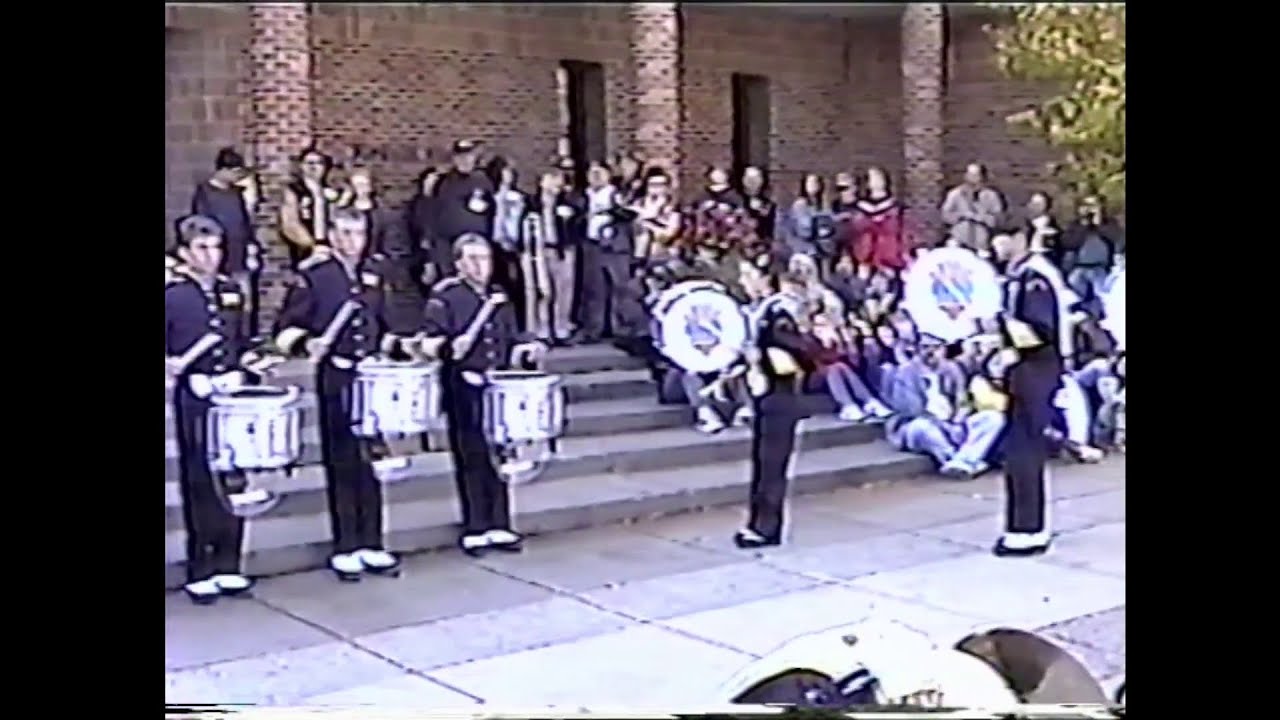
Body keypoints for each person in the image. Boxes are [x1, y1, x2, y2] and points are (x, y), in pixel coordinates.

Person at [272, 207, 412, 581]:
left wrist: (400, 346)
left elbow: (384, 325)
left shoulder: (373, 275)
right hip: (337, 376)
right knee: (342, 460)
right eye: (346, 234)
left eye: (359, 234)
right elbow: (284, 329)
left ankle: (372, 542)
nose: (353, 242)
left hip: (370, 379)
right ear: (332, 236)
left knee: (371, 460)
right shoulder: (315, 276)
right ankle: (346, 545)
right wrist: (305, 344)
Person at [165, 215, 276, 604]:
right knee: (199, 477)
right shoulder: (173, 295)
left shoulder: (232, 292)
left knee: (234, 476)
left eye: (216, 248)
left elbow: (243, 341)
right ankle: (201, 568)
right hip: (196, 395)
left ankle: (230, 563)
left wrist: (251, 364)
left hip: (231, 395)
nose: (211, 257)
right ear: (185, 253)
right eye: (202, 249)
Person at [420, 234, 547, 556]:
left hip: (496, 386)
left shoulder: (498, 297)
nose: (481, 266)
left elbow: (511, 337)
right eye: (473, 259)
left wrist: (526, 348)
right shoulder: (445, 296)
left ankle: (501, 523)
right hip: (463, 384)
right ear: (460, 264)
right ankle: (475, 526)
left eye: (485, 259)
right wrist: (450, 347)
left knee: (499, 456)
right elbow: (428, 341)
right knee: (471, 456)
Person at [984, 229, 1066, 557]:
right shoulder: (1018, 277)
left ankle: (1028, 530)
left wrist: (1003, 335)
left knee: (1025, 452)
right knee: (1018, 452)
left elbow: (1039, 331)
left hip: (1036, 370)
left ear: (1018, 237)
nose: (996, 245)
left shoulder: (1034, 279)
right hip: (1025, 371)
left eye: (1000, 238)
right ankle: (1021, 526)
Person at [734, 260, 820, 549]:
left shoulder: (778, 313)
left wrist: (764, 359)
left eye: (748, 276)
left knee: (771, 466)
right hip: (768, 396)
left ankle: (766, 527)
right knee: (764, 463)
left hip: (779, 396)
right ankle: (759, 523)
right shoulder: (764, 311)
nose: (744, 281)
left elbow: (799, 353)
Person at [884, 333, 1004, 479]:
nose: (931, 352)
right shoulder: (906, 372)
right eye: (925, 347)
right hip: (919, 425)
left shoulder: (953, 368)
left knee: (993, 418)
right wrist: (941, 422)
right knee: (923, 427)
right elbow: (911, 410)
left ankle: (962, 461)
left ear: (944, 349)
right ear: (917, 349)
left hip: (953, 423)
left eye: (936, 347)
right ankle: (957, 460)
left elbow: (963, 401)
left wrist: (960, 416)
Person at [190, 147, 261, 338]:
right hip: (219, 256)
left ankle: (246, 337)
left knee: (246, 299)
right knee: (224, 300)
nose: (237, 178)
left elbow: (245, 221)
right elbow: (203, 226)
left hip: (240, 253)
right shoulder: (205, 192)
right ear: (224, 170)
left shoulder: (237, 193)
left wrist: (251, 245)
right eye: (235, 173)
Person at [578, 161, 635, 343]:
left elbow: (629, 214)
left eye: (599, 172)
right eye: (591, 172)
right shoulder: (583, 195)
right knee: (595, 289)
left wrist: (612, 211)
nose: (595, 176)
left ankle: (620, 327)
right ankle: (595, 328)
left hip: (615, 247)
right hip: (592, 245)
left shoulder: (616, 194)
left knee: (619, 288)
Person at [280, 146, 341, 268]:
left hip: (333, 249)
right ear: (302, 166)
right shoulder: (295, 190)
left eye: (319, 163)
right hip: (307, 249)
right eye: (309, 163)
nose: (314, 167)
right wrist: (313, 246)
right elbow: (290, 223)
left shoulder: (332, 191)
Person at [431, 139, 495, 253]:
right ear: (454, 159)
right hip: (448, 239)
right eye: (460, 157)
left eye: (468, 156)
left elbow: (493, 209)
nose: (464, 160)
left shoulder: (483, 180)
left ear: (474, 158)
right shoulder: (443, 181)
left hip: (476, 239)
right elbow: (432, 209)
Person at [851, 167, 909, 275]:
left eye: (878, 177)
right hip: (868, 253)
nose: (876, 181)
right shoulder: (861, 207)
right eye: (872, 178)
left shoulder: (896, 207)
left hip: (891, 253)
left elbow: (900, 230)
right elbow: (858, 229)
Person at [941, 163, 1004, 257]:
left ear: (982, 177)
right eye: (969, 174)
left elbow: (998, 220)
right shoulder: (955, 194)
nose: (971, 178)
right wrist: (962, 215)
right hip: (959, 240)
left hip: (981, 243)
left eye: (975, 175)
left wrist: (982, 218)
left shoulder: (991, 196)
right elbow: (945, 215)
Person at [740, 166, 777, 244]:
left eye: (756, 178)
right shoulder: (738, 197)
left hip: (761, 240)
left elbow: (769, 226)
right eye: (749, 178)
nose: (752, 182)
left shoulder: (768, 201)